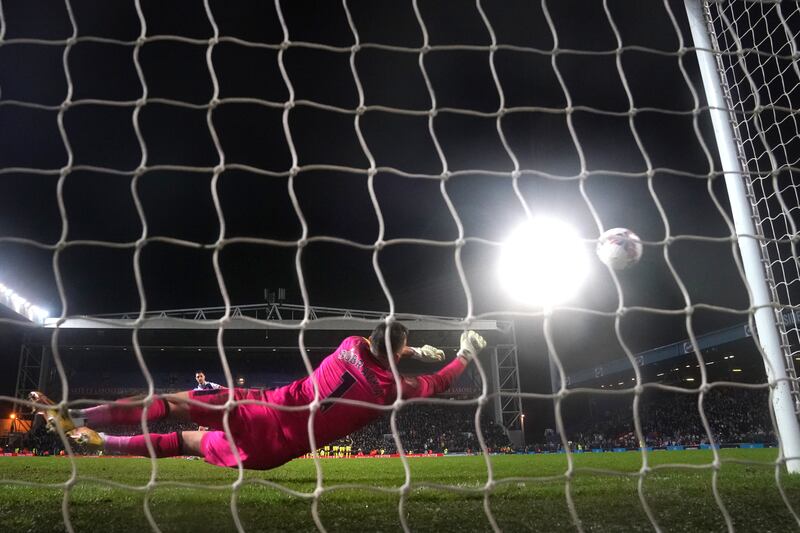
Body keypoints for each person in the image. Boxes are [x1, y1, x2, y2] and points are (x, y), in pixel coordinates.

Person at [29, 324, 486, 471]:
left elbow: (379, 345)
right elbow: (437, 382)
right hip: (274, 451)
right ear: (398, 353)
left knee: (170, 403)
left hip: (259, 407)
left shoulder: (348, 344)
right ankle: (98, 443)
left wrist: (410, 348)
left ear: (368, 339)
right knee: (184, 442)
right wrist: (461, 354)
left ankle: (78, 414)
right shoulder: (390, 391)